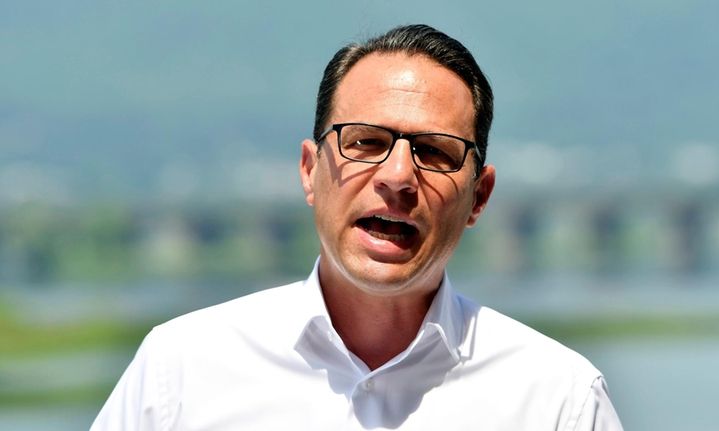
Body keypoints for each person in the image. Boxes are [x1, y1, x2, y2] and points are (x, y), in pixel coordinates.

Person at [92, 24, 623, 430]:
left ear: (478, 197)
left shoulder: (557, 398)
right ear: (309, 170)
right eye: (365, 142)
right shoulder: (182, 368)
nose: (397, 176)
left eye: (434, 152)